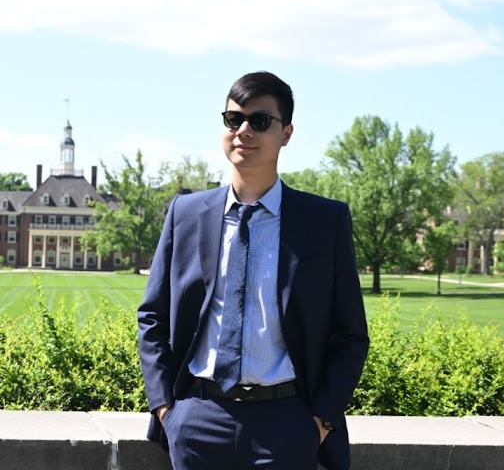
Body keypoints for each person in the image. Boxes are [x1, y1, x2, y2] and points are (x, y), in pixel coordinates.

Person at [138, 71, 369, 470]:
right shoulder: (185, 214)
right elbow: (153, 315)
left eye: (259, 121)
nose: (243, 131)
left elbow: (350, 332)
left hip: (286, 426)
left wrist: (320, 421)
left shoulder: (324, 221)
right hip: (198, 419)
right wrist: (166, 410)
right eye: (234, 119)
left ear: (286, 133)